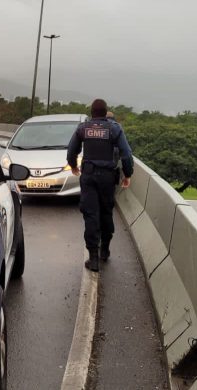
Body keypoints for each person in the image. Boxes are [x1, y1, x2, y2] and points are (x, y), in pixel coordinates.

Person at [66, 99, 133, 272]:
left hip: (88, 176)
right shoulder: (114, 129)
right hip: (107, 177)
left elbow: (71, 150)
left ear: (92, 112)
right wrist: (128, 174)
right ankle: (105, 250)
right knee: (106, 212)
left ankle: (93, 258)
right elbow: (126, 154)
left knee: (91, 215)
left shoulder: (83, 128)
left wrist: (73, 165)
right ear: (105, 112)